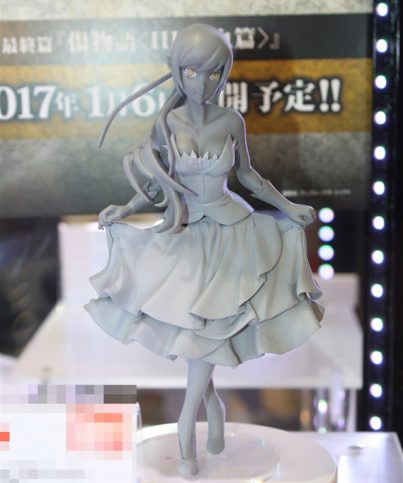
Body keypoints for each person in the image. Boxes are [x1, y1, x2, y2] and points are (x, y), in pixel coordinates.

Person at [85, 23, 323, 477]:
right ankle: (209, 417)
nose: (203, 83)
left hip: (233, 234)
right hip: (186, 235)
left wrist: (287, 207)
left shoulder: (231, 121)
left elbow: (248, 176)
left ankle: (187, 428)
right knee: (199, 337)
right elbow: (158, 185)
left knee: (205, 338)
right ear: (175, 70)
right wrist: (126, 208)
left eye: (215, 73)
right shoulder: (166, 125)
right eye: (193, 71)